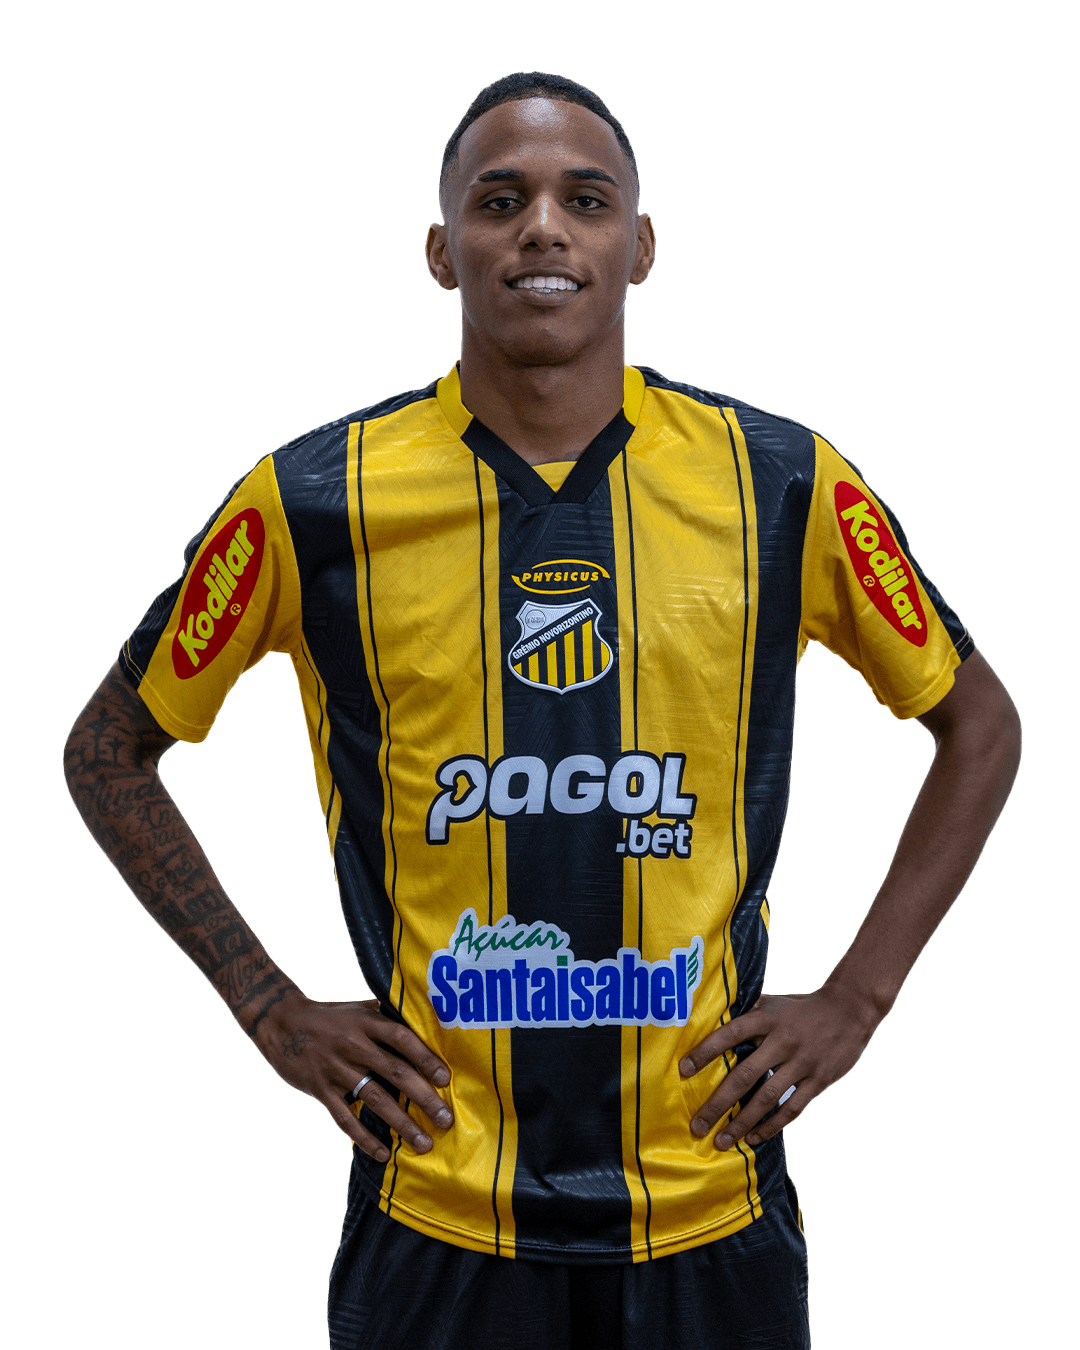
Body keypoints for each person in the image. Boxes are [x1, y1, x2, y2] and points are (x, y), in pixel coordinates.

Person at [64, 71, 1021, 1349]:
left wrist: (858, 998)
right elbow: (107, 749)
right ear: (440, 250)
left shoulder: (779, 482)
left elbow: (979, 723)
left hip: (708, 1203)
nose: (543, 230)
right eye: (499, 200)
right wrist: (266, 1005)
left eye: (587, 199)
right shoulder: (313, 499)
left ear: (642, 246)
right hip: (436, 1213)